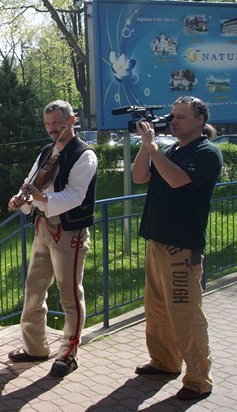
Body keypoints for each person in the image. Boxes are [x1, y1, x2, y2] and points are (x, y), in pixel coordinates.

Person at [132, 96, 222, 401]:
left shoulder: (206, 153)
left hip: (181, 247)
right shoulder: (169, 150)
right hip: (156, 240)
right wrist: (147, 145)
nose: (174, 121)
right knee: (156, 310)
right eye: (173, 116)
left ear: (200, 120)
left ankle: (198, 380)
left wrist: (154, 147)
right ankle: (165, 362)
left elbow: (175, 180)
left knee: (185, 315)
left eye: (181, 117)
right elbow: (139, 176)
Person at [7, 100, 98, 377]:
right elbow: (31, 181)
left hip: (70, 231)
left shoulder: (85, 155)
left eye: (57, 123)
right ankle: (35, 348)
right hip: (43, 228)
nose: (52, 128)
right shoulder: (46, 151)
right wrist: (22, 200)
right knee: (34, 288)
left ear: (72, 121)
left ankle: (69, 353)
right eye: (48, 124)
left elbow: (74, 196)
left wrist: (40, 198)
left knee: (70, 294)